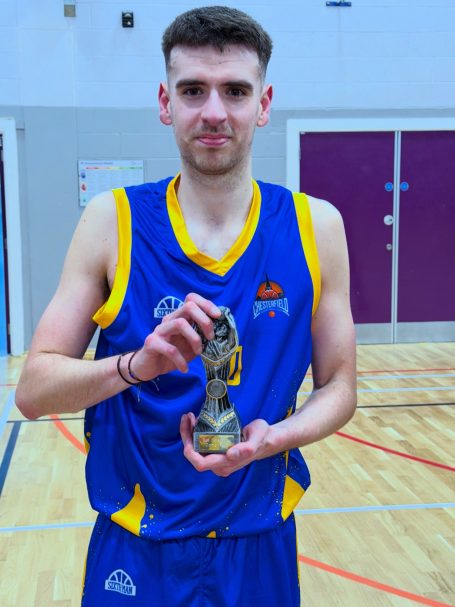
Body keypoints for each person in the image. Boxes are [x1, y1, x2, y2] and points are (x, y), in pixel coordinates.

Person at [16, 5, 357, 606]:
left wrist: (273, 439)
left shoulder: (316, 227)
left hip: (259, 543)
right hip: (136, 547)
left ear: (264, 104)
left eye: (235, 91)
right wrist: (134, 366)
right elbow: (33, 391)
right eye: (193, 90)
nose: (214, 112)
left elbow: (341, 388)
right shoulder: (112, 222)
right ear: (166, 102)